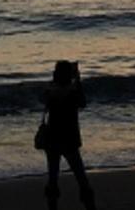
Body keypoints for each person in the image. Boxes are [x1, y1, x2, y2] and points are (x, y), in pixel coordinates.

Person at [42, 60, 97, 210]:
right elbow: (83, 103)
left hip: (52, 139)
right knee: (81, 177)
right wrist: (77, 79)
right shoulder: (72, 90)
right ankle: (90, 207)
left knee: (53, 178)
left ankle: (52, 207)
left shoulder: (51, 90)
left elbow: (44, 102)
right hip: (69, 140)